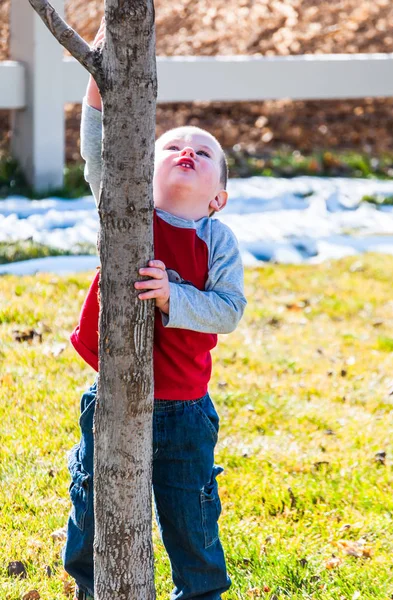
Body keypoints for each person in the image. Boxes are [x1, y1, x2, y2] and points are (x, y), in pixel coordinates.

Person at [62, 20, 247, 600]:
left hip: (185, 410)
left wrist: (174, 297)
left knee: (191, 517)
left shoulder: (217, 241)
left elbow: (229, 310)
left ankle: (200, 593)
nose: (187, 149)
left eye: (204, 150)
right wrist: (103, 67)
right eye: (172, 144)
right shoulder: (125, 206)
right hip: (113, 393)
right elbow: (97, 142)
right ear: (143, 164)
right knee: (94, 503)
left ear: (218, 195)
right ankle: (93, 588)